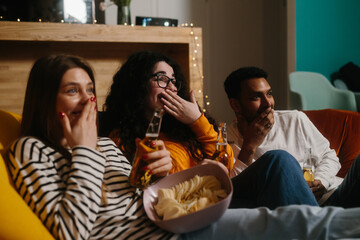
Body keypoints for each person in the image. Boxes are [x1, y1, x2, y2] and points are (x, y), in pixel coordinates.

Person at [6, 54, 360, 240]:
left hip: (187, 210)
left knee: (291, 205)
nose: (86, 99)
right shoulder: (36, 149)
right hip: (175, 222)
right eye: (72, 90)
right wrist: (85, 150)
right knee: (290, 211)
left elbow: (134, 195)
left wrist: (147, 173)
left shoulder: (113, 142)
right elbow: (74, 231)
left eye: (89, 89)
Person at [224, 66, 360, 208]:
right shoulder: (226, 140)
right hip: (296, 209)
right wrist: (249, 146)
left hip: (333, 196)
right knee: (279, 158)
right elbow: (232, 190)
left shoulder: (294, 119)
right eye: (256, 97)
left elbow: (329, 155)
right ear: (236, 105)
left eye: (269, 94)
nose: (268, 103)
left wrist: (322, 181)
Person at [100, 50, 235, 174]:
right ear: (138, 85)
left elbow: (227, 163)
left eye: (173, 81)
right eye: (162, 79)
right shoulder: (121, 139)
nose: (172, 88)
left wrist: (197, 120)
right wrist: (197, 173)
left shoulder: (185, 127)